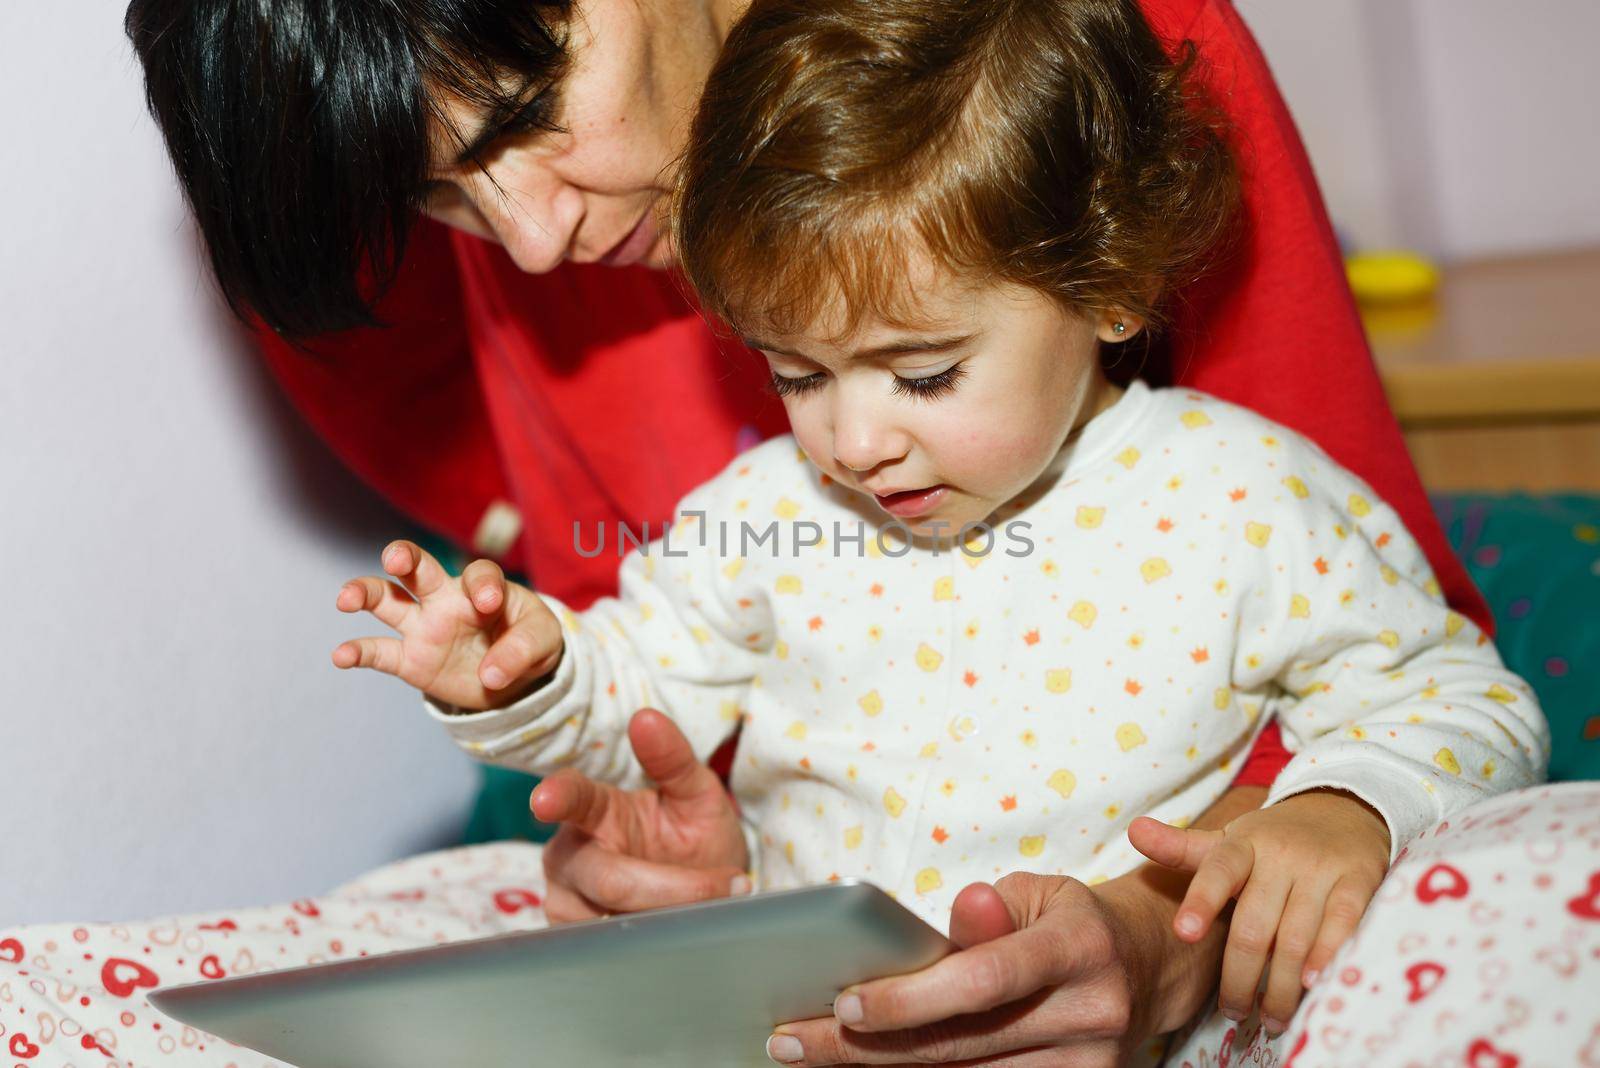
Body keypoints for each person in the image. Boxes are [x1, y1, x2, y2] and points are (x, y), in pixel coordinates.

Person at [330, 2, 1547, 1064]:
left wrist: (1345, 808)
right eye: (798, 375)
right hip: (812, 1030)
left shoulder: (1245, 498)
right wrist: (517, 666)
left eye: (920, 375)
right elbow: (634, 684)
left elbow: (1460, 701)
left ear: (1107, 284)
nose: (853, 443)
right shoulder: (766, 516)